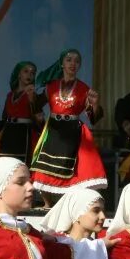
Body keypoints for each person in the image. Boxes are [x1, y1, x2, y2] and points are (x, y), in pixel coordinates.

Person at [30, 49, 108, 205]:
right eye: (69, 60)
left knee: (72, 168)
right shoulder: (51, 86)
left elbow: (93, 118)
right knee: (44, 165)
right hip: (53, 129)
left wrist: (95, 105)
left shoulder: (84, 89)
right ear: (62, 64)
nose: (73, 63)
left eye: (77, 61)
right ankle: (47, 203)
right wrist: (33, 102)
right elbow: (37, 106)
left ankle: (68, 204)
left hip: (72, 130)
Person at [0, 61, 43, 161]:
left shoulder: (33, 95)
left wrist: (32, 100)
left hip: (24, 137)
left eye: (33, 73)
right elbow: (5, 121)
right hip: (8, 136)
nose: (29, 75)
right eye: (26, 71)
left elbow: (39, 122)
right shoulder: (10, 95)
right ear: (19, 74)